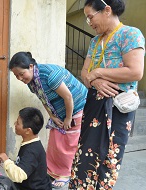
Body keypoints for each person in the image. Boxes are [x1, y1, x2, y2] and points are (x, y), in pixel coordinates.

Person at [69, 0, 145, 189]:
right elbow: (84, 73)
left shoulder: (130, 34)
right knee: (85, 153)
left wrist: (98, 73)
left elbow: (135, 71)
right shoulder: (95, 41)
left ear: (107, 10)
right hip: (93, 104)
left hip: (116, 106)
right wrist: (93, 80)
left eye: (90, 17)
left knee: (108, 158)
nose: (90, 23)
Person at [9, 52, 88, 189]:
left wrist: (68, 118)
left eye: (22, 74)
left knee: (68, 143)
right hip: (59, 110)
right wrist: (52, 116)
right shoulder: (32, 83)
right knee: (55, 140)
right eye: (16, 76)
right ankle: (53, 171)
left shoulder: (49, 76)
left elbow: (68, 97)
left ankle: (65, 174)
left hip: (77, 106)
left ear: (31, 66)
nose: (20, 78)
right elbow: (43, 99)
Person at [0, 107, 52, 190]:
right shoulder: (31, 142)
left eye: (18, 123)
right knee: (0, 181)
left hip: (34, 187)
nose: (15, 124)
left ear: (28, 131)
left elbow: (18, 176)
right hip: (32, 183)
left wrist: (5, 159)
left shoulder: (32, 151)